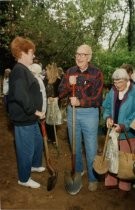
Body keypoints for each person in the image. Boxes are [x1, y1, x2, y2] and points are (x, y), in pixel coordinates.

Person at [58, 44, 104, 192]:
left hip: (90, 114)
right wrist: (68, 85)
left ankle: (92, 178)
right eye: (77, 54)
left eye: (82, 54)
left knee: (91, 147)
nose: (79, 57)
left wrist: (80, 102)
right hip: (73, 113)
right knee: (74, 144)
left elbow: (98, 99)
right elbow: (61, 92)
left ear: (89, 57)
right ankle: (78, 170)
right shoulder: (70, 71)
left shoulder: (96, 73)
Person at [8, 36, 45, 189]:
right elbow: (20, 94)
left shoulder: (24, 70)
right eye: (31, 53)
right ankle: (24, 178)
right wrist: (35, 111)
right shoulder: (18, 71)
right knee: (26, 149)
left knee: (37, 142)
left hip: (30, 118)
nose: (34, 55)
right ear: (22, 53)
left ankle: (34, 165)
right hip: (24, 118)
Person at [102, 68, 135, 195]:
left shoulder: (134, 92)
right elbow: (107, 106)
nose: (116, 85)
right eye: (114, 82)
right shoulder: (113, 91)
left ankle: (124, 186)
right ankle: (111, 182)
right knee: (112, 155)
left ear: (127, 80)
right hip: (113, 130)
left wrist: (124, 125)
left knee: (125, 158)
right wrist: (107, 118)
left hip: (128, 133)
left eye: (119, 82)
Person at [44, 62, 62, 144]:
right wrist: (47, 97)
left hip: (55, 103)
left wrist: (56, 98)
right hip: (46, 103)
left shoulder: (58, 80)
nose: (46, 71)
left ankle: (53, 138)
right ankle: (49, 137)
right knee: (47, 120)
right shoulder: (45, 80)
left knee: (52, 120)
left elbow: (61, 93)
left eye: (47, 70)